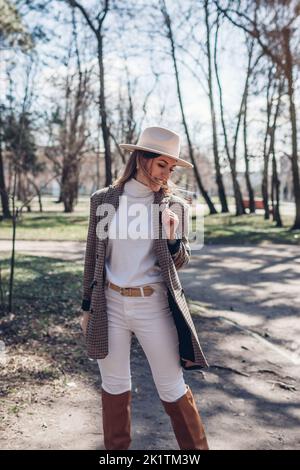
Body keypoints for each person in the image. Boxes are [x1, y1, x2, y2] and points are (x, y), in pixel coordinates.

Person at [80, 126, 209, 450]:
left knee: (171, 386)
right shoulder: (103, 201)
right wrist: (86, 307)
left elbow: (181, 260)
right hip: (109, 305)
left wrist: (172, 237)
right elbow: (92, 258)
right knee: (113, 384)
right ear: (141, 158)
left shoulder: (174, 205)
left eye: (171, 167)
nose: (166, 174)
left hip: (153, 306)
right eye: (161, 164)